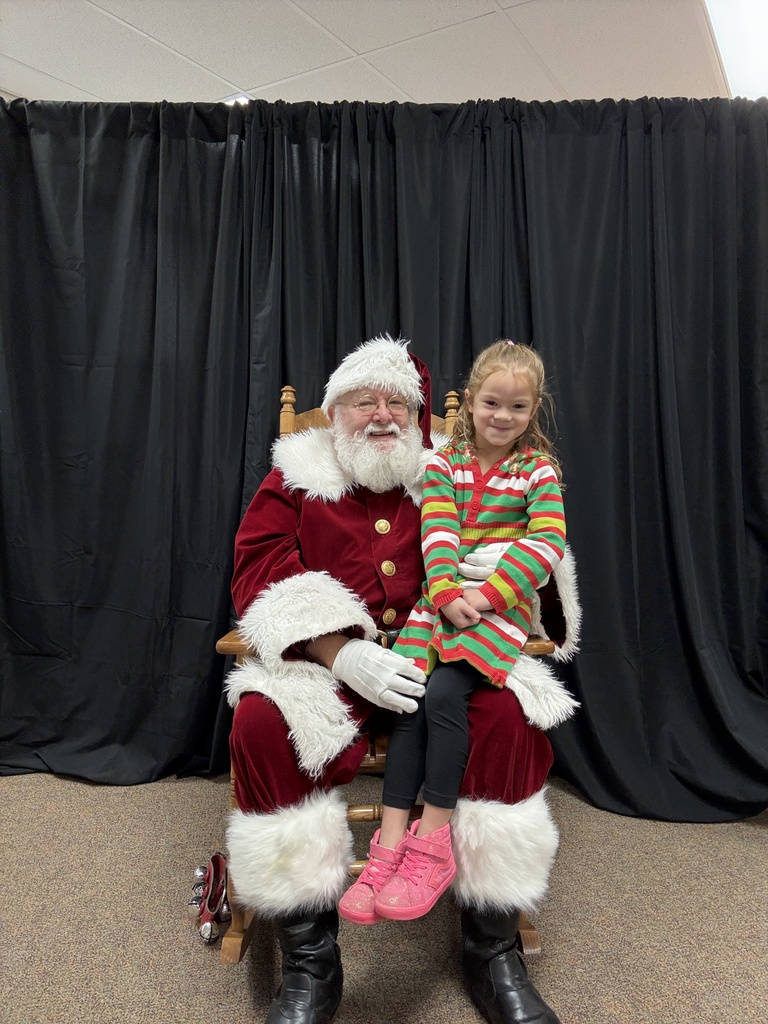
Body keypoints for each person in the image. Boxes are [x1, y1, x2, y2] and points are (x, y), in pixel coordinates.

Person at [225, 334, 581, 1024]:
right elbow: (257, 571)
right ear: (334, 412)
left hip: (448, 650)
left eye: (397, 402)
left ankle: (490, 944)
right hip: (332, 669)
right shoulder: (296, 476)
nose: (382, 414)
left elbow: (544, 553)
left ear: (420, 417)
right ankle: (309, 961)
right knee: (261, 724)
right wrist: (338, 651)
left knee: (509, 721)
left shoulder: (456, 468)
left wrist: (507, 570)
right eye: (364, 401)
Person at [339, 341, 570, 928]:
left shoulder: (536, 471)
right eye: (491, 402)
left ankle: (432, 840)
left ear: (533, 409)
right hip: (441, 602)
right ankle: (388, 847)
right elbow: (436, 533)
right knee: (413, 696)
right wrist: (444, 593)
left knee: (445, 694)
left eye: (517, 408)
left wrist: (486, 595)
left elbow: (545, 546)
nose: (502, 416)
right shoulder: (443, 465)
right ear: (469, 403)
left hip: (501, 605)